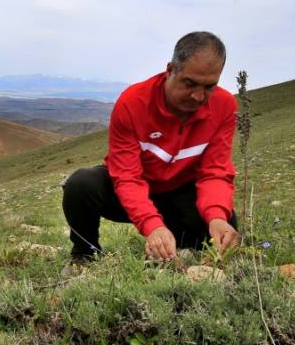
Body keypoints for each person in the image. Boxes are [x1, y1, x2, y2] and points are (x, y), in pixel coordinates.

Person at [62, 31, 240, 268]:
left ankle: (181, 247)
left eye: (209, 86)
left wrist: (217, 217)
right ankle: (84, 255)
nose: (198, 96)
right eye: (190, 83)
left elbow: (214, 171)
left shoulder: (225, 106)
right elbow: (127, 176)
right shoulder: (133, 103)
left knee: (226, 224)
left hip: (180, 194)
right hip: (133, 193)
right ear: (170, 69)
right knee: (81, 185)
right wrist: (151, 225)